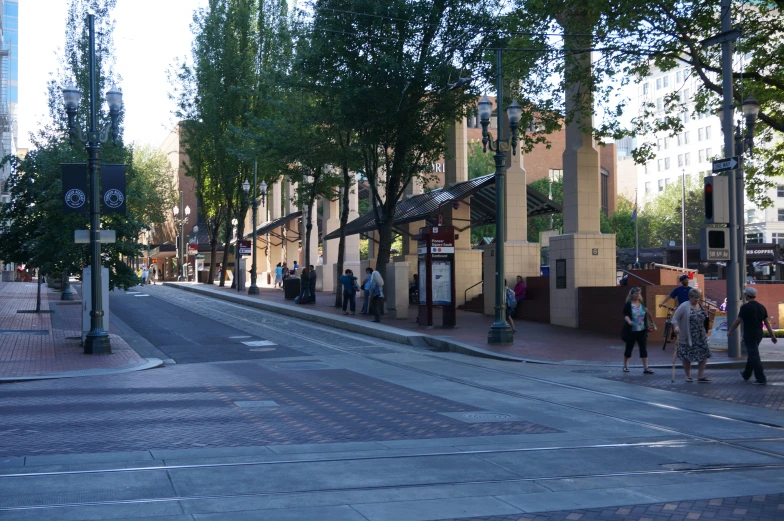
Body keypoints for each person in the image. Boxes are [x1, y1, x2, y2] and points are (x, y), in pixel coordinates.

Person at [728, 286, 777, 385]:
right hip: (759, 334)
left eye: (745, 294)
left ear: (746, 295)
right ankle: (746, 374)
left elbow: (738, 320)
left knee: (754, 355)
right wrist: (772, 335)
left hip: (750, 334)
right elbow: (767, 323)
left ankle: (761, 378)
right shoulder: (761, 307)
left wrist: (730, 330)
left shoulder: (745, 307)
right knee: (752, 354)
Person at [672, 288, 712, 382]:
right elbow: (675, 319)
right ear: (690, 297)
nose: (697, 300)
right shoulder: (684, 306)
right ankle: (688, 376)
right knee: (687, 356)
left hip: (700, 335)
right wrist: (676, 327)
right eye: (695, 298)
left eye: (698, 298)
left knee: (704, 354)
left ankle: (700, 376)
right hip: (687, 335)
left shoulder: (700, 306)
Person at [622, 287, 656, 374]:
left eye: (639, 293)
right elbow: (625, 315)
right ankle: (625, 366)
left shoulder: (642, 304)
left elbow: (646, 315)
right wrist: (629, 322)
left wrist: (647, 312)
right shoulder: (629, 304)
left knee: (643, 348)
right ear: (632, 294)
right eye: (636, 293)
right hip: (632, 330)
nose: (637, 295)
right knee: (629, 348)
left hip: (642, 330)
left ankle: (646, 368)